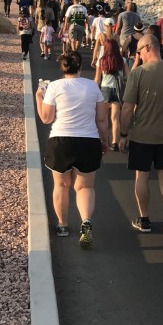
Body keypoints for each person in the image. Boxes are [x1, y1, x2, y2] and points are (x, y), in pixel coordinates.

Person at [36, 51, 108, 247]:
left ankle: (63, 225)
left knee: (61, 185)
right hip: (88, 140)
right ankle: (85, 222)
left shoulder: (54, 87)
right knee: (85, 187)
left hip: (60, 140)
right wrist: (105, 140)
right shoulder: (92, 86)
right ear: (80, 66)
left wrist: (38, 97)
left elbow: (46, 118)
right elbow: (101, 118)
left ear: (62, 68)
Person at [119, 34, 163, 233]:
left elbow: (127, 108)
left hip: (142, 135)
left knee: (142, 175)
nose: (138, 55)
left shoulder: (138, 73)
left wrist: (123, 134)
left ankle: (144, 218)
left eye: (139, 51)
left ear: (148, 48)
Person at [94, 38, 130, 151]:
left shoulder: (101, 60)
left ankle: (104, 140)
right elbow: (128, 76)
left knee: (103, 118)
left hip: (105, 89)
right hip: (117, 90)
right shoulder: (122, 60)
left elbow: (97, 79)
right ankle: (115, 143)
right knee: (115, 118)